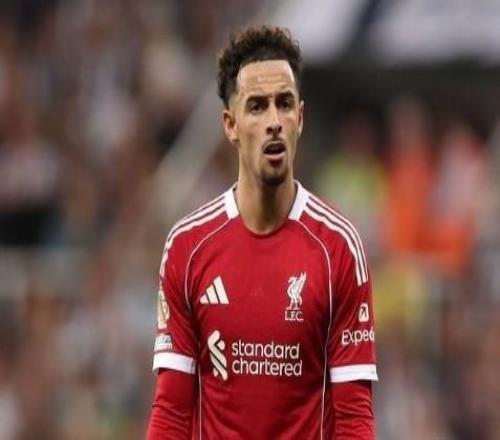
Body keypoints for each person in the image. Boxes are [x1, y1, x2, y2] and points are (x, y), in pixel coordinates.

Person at [147, 25, 378, 439]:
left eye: (283, 104)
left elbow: (354, 416)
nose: (274, 121)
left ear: (300, 119)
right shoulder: (188, 247)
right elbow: (172, 411)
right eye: (257, 107)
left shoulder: (338, 248)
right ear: (230, 124)